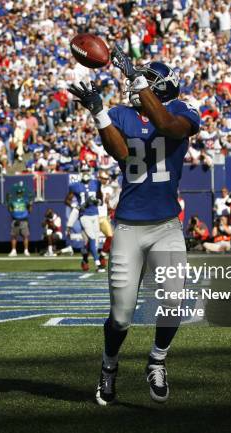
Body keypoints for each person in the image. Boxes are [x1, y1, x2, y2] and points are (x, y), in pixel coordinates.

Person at [69, 47, 200, 405]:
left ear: (164, 87)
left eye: (148, 81)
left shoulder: (182, 110)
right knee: (122, 316)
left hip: (166, 227)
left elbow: (168, 127)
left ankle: (157, 360)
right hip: (128, 227)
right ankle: (109, 366)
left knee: (174, 302)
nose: (138, 86)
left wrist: (136, 78)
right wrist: (98, 113)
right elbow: (121, 153)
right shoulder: (122, 115)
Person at [65, 163, 104, 272]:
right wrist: (76, 206)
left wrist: (99, 201)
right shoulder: (75, 186)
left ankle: (85, 259)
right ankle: (98, 264)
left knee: (93, 242)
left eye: (87, 171)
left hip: (95, 214)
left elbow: (100, 198)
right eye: (83, 171)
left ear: (90, 171)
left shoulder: (96, 183)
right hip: (84, 215)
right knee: (91, 237)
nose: (85, 173)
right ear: (80, 172)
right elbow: (67, 200)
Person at [7, 184, 32, 257]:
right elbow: (10, 209)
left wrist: (30, 205)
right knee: (14, 236)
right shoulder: (13, 200)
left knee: (25, 236)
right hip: (15, 220)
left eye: (20, 193)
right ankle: (14, 251)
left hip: (24, 220)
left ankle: (26, 250)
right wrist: (9, 205)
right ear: (16, 193)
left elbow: (30, 210)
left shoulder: (26, 200)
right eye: (18, 193)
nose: (19, 194)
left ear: (22, 193)